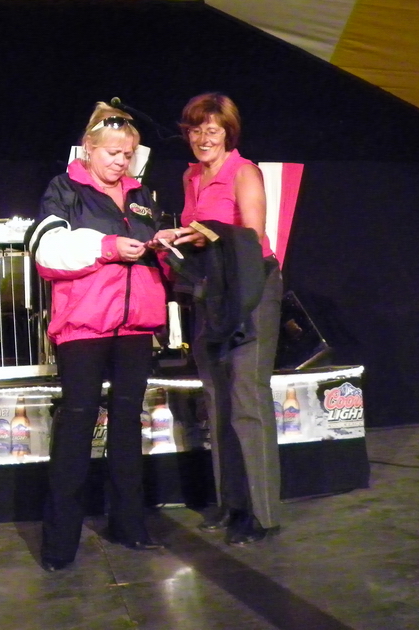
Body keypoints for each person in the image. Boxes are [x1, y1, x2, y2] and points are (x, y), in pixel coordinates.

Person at [29, 102, 168, 572]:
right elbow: (47, 252)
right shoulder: (64, 189)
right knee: (77, 423)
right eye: (112, 153)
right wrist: (108, 247)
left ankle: (130, 525)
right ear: (88, 149)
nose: (120, 162)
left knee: (128, 423)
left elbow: (148, 254)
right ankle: (59, 544)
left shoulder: (142, 195)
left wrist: (166, 247)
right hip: (84, 324)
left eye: (127, 154)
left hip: (135, 325)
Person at [154, 92, 284, 546]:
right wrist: (176, 239)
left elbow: (250, 238)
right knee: (217, 400)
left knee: (248, 398)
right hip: (212, 292)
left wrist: (203, 235)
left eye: (212, 130)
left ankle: (262, 514)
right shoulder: (192, 175)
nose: (203, 138)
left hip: (250, 290)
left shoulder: (244, 171)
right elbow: (202, 235)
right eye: (195, 130)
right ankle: (231, 504)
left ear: (228, 133)